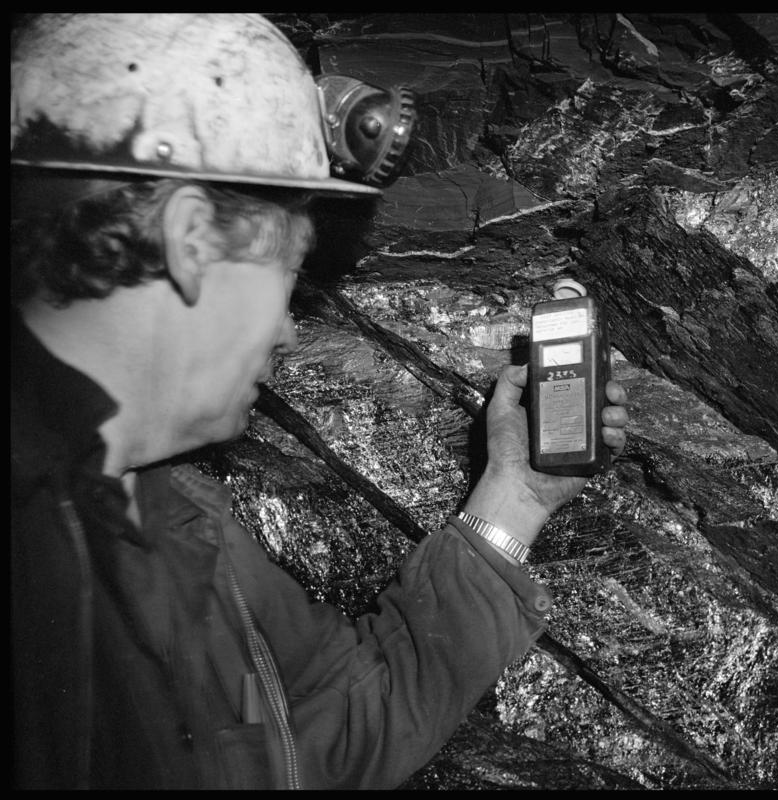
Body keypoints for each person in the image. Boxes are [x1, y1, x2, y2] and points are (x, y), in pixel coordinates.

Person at [11, 13, 629, 790]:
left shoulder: (174, 525)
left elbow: (341, 732)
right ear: (191, 240)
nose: (287, 334)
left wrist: (517, 495)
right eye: (286, 276)